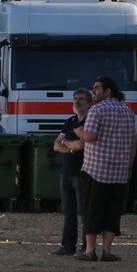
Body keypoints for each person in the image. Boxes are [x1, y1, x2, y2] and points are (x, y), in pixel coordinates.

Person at [74, 75, 136, 262]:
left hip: (97, 170)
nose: (93, 92)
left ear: (108, 91)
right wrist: (129, 166)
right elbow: (133, 142)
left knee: (92, 210)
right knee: (113, 212)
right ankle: (107, 251)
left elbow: (90, 136)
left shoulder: (97, 110)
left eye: (97, 88)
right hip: (120, 171)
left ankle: (90, 251)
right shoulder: (128, 112)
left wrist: (78, 131)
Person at [50, 88, 91, 256]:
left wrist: (68, 144)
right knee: (69, 212)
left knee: (85, 212)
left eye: (81, 99)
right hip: (66, 173)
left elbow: (82, 145)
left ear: (89, 102)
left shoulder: (90, 122)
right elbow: (56, 145)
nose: (77, 101)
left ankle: (86, 247)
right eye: (75, 98)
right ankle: (67, 246)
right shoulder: (69, 121)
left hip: (83, 173)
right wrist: (71, 146)